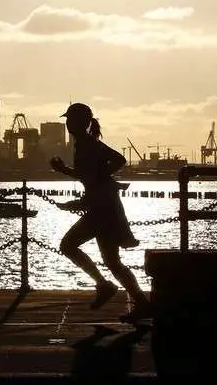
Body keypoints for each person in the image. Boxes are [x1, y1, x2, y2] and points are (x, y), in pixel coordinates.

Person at [50, 103, 152, 323]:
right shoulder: (84, 144)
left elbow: (117, 161)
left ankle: (104, 285)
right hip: (102, 207)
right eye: (67, 120)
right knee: (113, 262)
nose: (68, 124)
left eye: (71, 120)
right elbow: (87, 174)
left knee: (68, 246)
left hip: (102, 210)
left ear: (82, 122)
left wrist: (98, 177)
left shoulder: (88, 144)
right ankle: (141, 303)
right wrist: (68, 171)